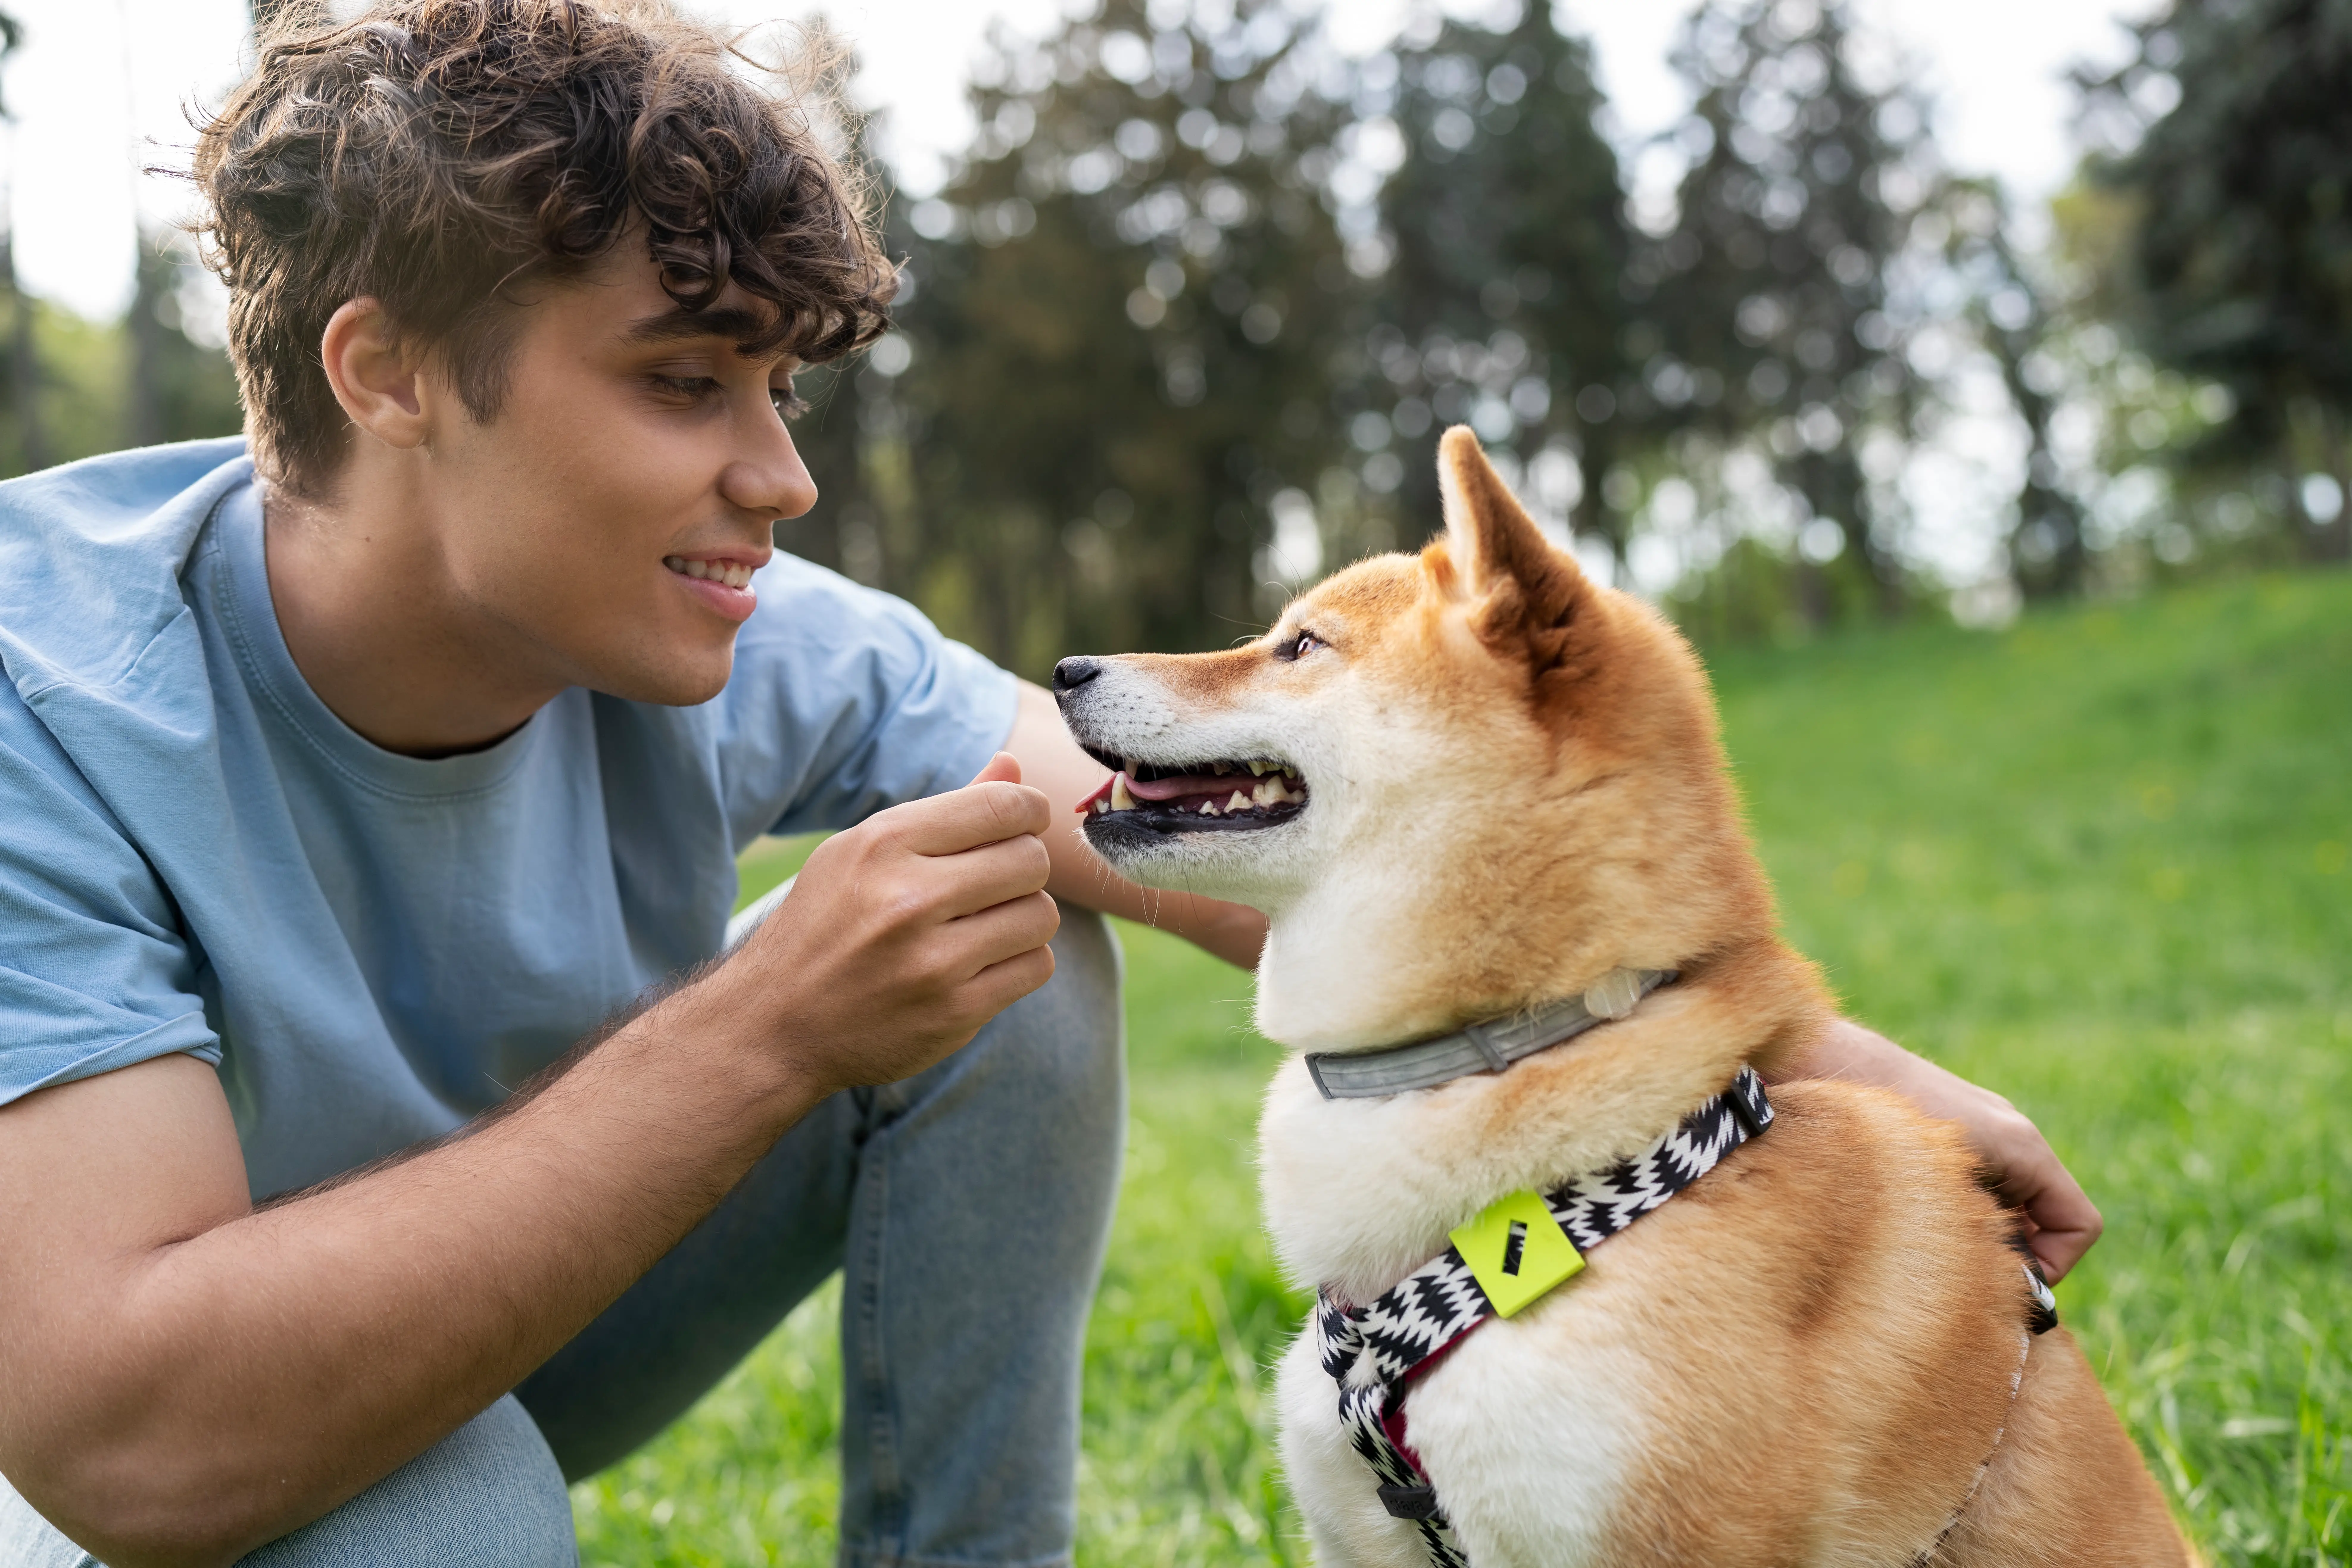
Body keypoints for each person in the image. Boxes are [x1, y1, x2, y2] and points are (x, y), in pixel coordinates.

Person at [0, 3, 2101, 1565]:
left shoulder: (726, 626)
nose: (782, 478)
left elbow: (1215, 844)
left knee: (1002, 922)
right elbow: (128, 1438)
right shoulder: (45, 698)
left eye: (781, 388)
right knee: (446, 1524)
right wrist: (766, 1026)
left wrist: (1838, 1069)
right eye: (679, 384)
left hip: (511, 1314)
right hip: (127, 1447)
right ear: (380, 373)